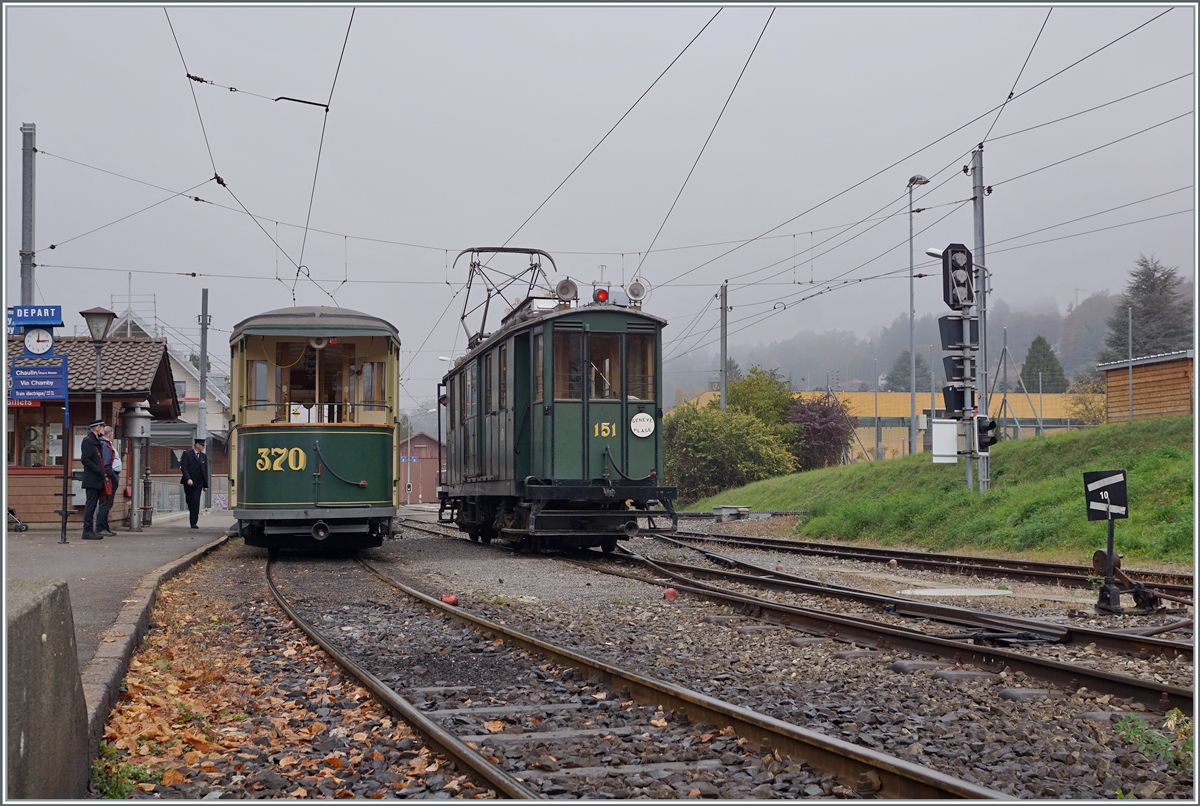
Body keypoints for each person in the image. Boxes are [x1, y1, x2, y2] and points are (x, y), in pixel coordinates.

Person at [79, 419, 107, 540]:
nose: (103, 429)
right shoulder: (88, 440)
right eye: (102, 427)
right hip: (92, 479)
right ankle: (87, 530)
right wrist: (98, 470)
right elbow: (85, 459)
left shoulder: (95, 441)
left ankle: (91, 530)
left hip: (96, 478)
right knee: (90, 505)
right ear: (97, 428)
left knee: (93, 504)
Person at [95, 426, 121, 536]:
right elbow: (106, 464)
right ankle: (101, 527)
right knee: (106, 503)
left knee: (107, 503)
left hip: (110, 475)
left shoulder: (105, 445)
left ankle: (104, 526)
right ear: (110, 435)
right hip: (110, 476)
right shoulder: (106, 446)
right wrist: (114, 477)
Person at [179, 437, 209, 529]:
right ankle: (192, 513)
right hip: (189, 482)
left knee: (196, 501)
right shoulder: (187, 454)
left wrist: (205, 484)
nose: (203, 447)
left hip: (199, 482)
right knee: (190, 500)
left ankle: (193, 522)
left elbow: (205, 471)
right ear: (197, 445)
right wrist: (188, 478)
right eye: (202, 445)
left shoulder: (203, 456)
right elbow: (184, 467)